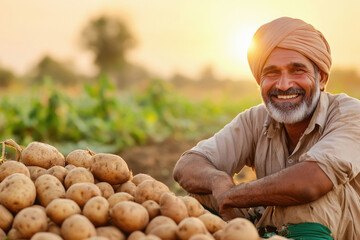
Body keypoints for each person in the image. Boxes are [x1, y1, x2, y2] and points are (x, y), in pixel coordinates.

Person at [173, 16, 360, 240]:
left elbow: (310, 182)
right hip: (272, 228)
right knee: (201, 193)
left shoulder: (350, 114)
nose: (283, 85)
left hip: (343, 231)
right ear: (259, 81)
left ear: (321, 78)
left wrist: (234, 195)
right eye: (271, 73)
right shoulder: (256, 119)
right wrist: (216, 181)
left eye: (297, 70)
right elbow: (187, 164)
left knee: (305, 198)